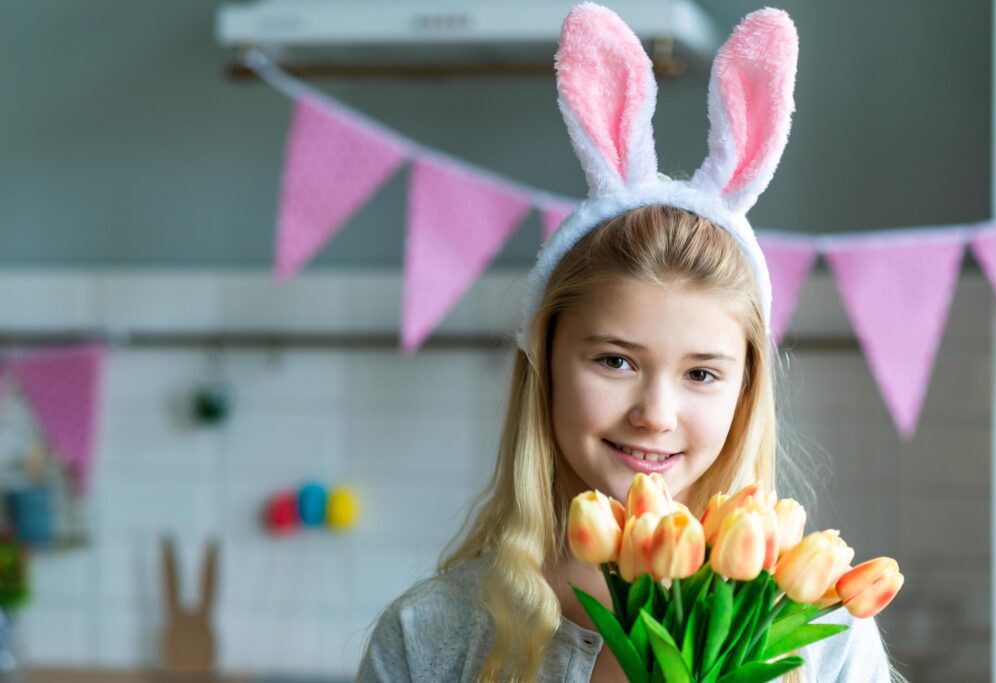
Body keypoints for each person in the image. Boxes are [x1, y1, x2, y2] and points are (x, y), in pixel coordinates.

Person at [357, 4, 903, 682]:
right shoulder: (429, 638)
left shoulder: (826, 634)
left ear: (745, 390)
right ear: (545, 367)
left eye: (702, 373)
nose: (655, 412)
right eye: (615, 360)